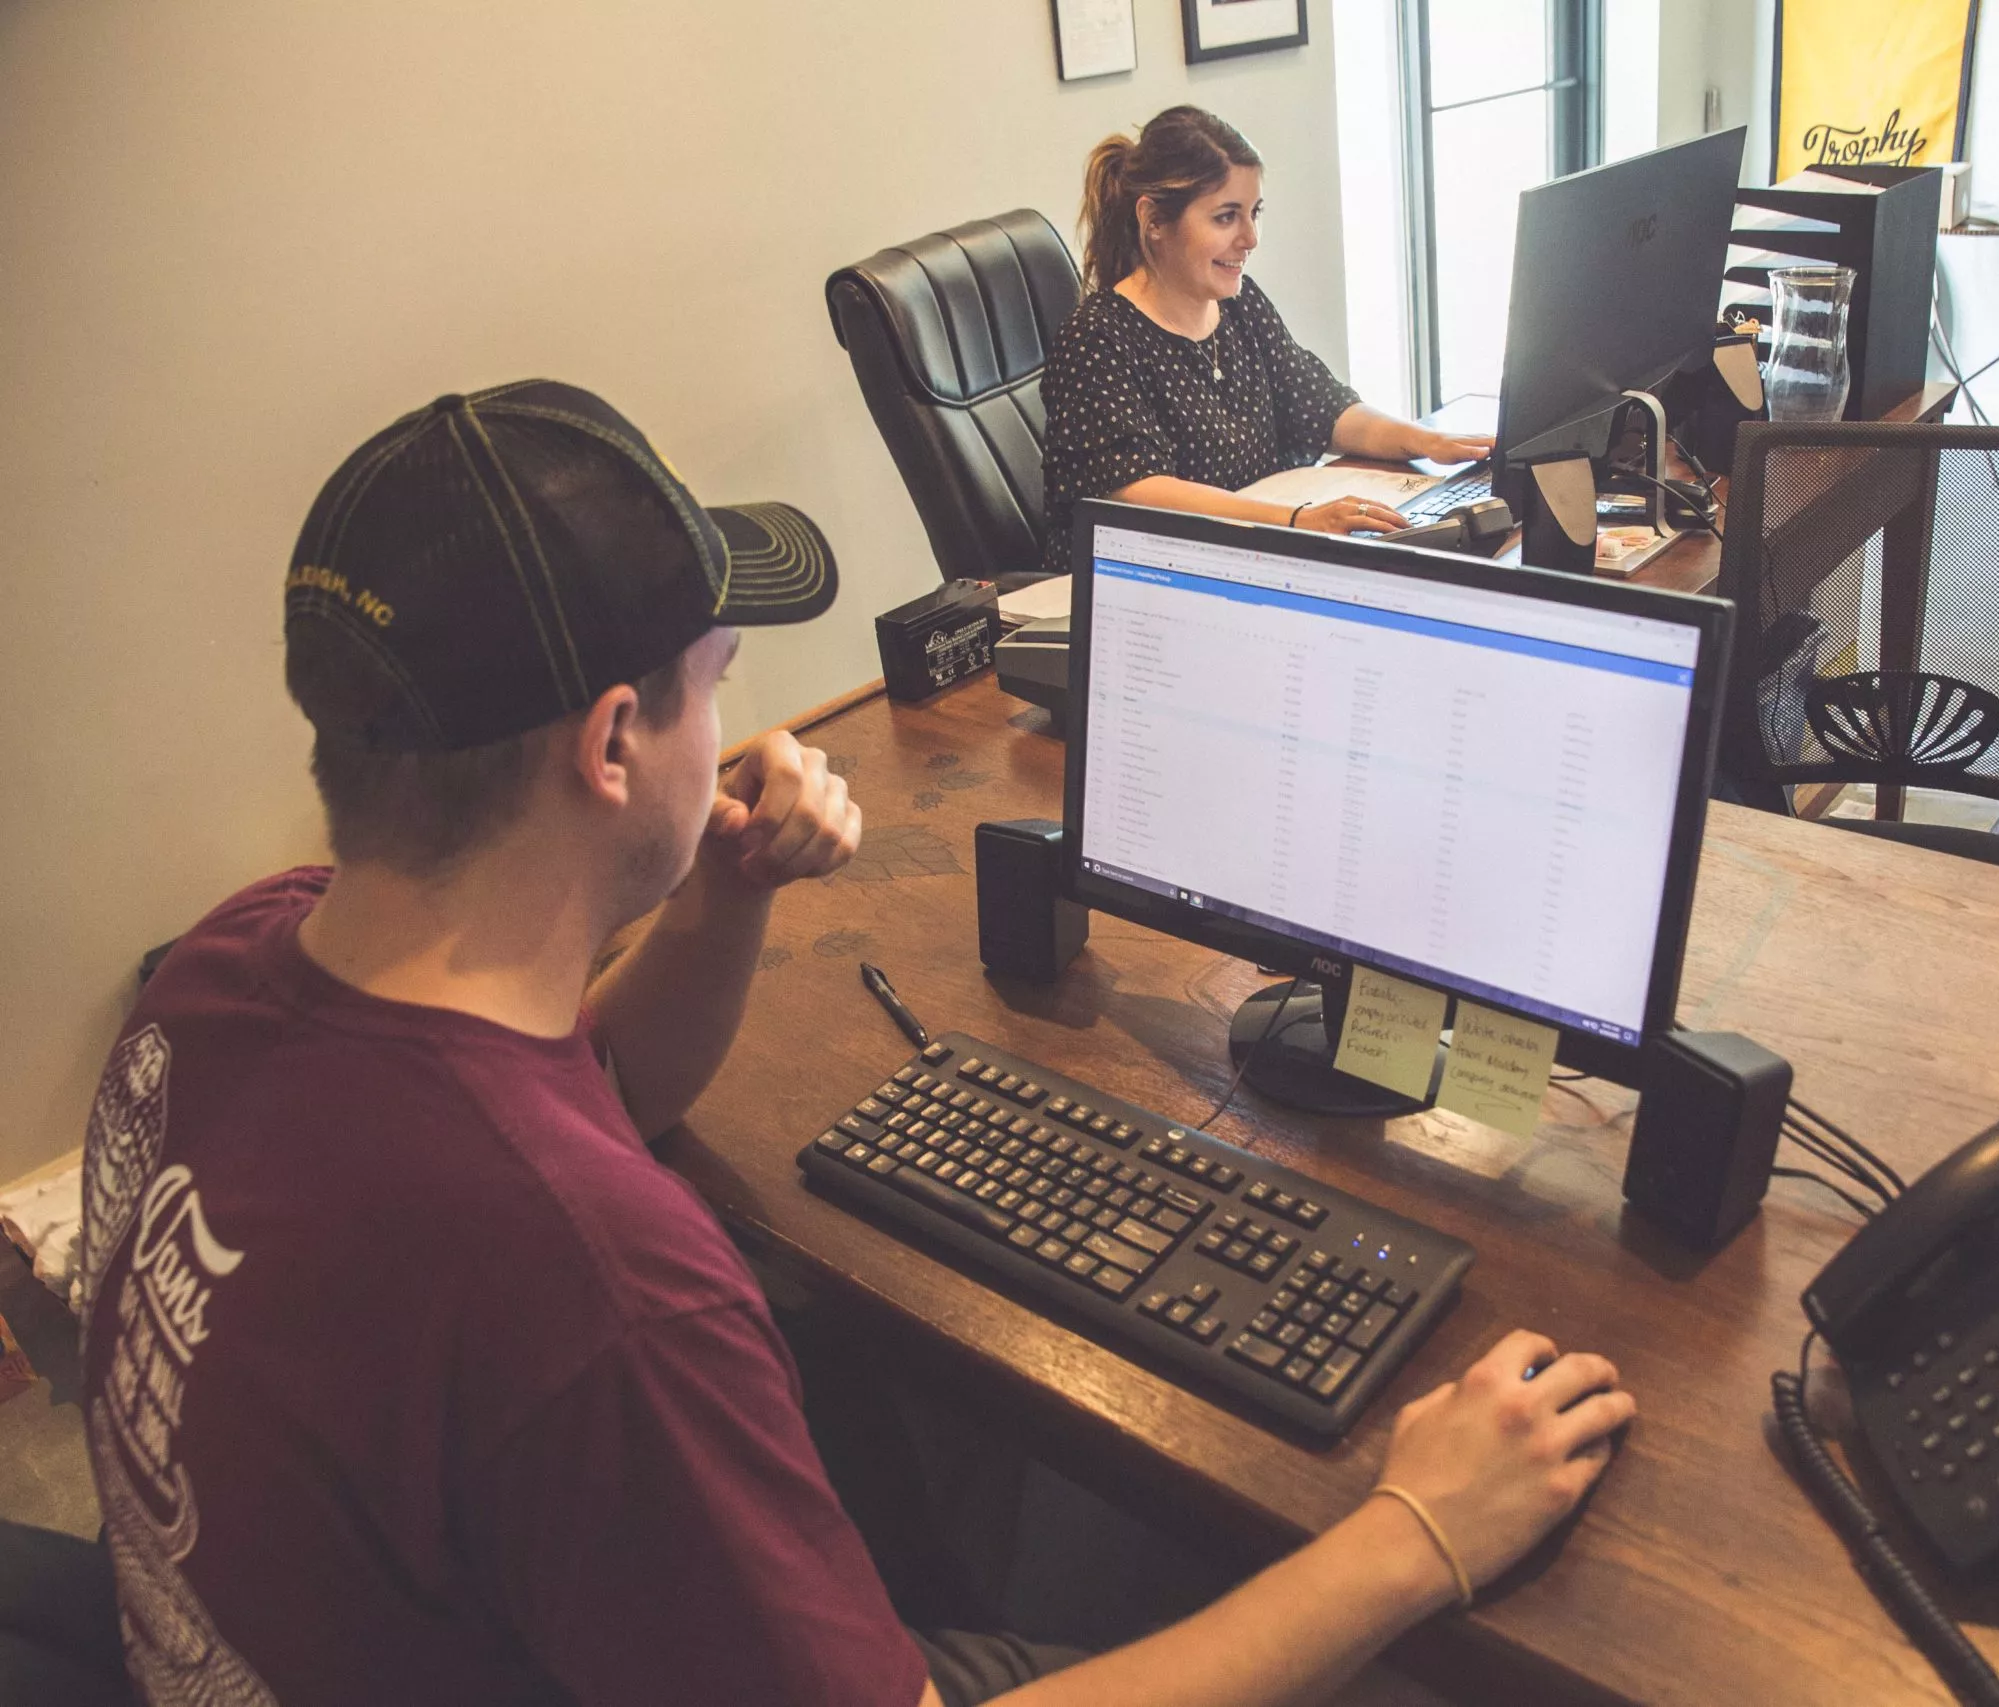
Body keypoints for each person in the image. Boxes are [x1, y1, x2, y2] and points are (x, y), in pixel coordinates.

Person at [78, 380, 1637, 1706]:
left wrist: (720, 894)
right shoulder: (596, 1292)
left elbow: (588, 1099)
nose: (742, 718)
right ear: (613, 743)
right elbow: (554, 1216)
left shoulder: (230, 963)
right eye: (716, 680)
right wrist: (1415, 1527)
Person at [1038, 106, 1487, 573]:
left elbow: (1323, 407)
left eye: (1253, 214)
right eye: (1225, 218)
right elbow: (1137, 491)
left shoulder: (1238, 304)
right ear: (1153, 220)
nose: (1250, 238)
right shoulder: (1097, 338)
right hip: (1140, 583)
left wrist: (1426, 442)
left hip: (1246, 560)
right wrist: (1295, 521)